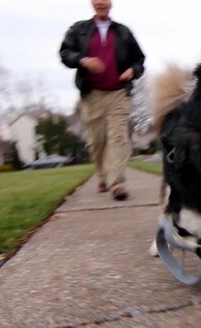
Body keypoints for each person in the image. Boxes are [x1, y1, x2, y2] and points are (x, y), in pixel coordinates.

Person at [60, 0, 145, 200]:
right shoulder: (78, 29)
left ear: (110, 3)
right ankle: (102, 175)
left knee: (118, 137)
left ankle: (117, 184)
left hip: (118, 93)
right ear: (92, 3)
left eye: (104, 0)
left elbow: (139, 60)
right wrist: (83, 60)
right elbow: (65, 53)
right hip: (92, 94)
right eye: (97, 0)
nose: (101, 3)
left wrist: (132, 71)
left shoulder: (123, 32)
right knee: (97, 142)